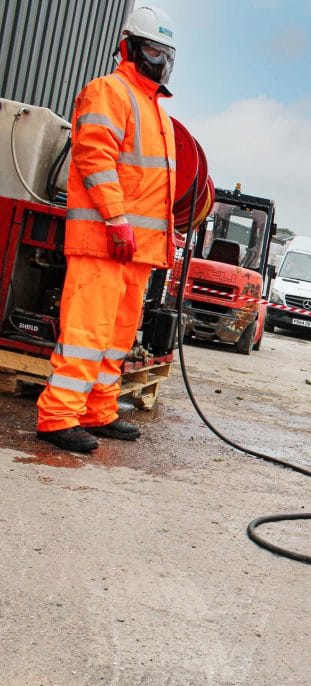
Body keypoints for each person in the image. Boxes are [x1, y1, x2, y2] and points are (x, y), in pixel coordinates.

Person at [35, 5, 178, 453]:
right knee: (87, 332)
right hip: (105, 240)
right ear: (127, 47)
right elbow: (94, 157)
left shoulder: (156, 110)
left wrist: (165, 236)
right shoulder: (108, 92)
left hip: (138, 249)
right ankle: (59, 416)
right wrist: (116, 218)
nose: (160, 61)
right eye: (152, 51)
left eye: (166, 54)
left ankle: (98, 409)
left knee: (116, 337)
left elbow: (152, 186)